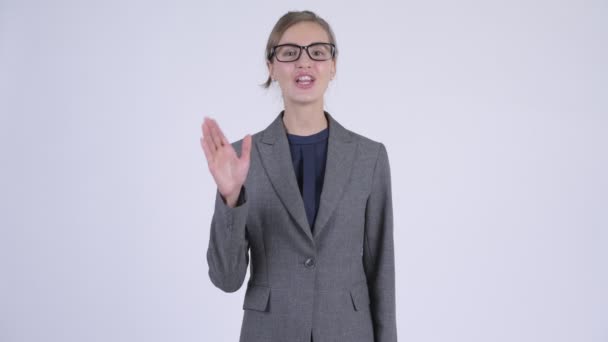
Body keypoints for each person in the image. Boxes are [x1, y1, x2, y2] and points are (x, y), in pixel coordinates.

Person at [200, 10, 397, 342]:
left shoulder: (369, 157)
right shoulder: (241, 158)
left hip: (348, 332)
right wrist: (230, 197)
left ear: (333, 65)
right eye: (290, 53)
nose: (304, 63)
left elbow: (381, 272)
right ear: (271, 67)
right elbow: (226, 279)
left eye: (318, 52)